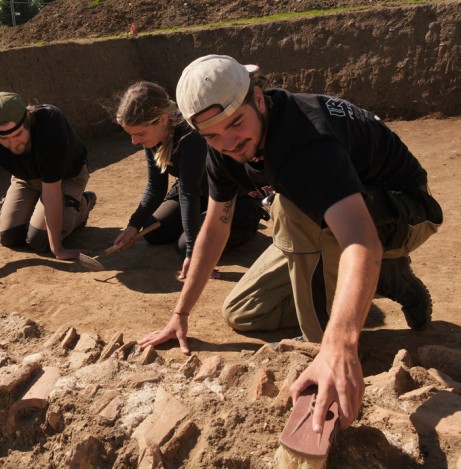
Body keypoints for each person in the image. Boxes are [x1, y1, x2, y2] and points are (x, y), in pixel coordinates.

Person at [138, 55, 442, 436]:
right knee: (243, 313)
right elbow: (215, 226)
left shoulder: (305, 139)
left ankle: (333, 333)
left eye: (236, 123)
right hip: (330, 223)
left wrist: (338, 345)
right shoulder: (223, 149)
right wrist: (180, 315)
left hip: (403, 214)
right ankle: (374, 282)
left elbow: (360, 239)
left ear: (259, 99)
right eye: (212, 135)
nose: (229, 142)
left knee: (289, 206)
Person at [113, 81, 267, 279]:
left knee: (186, 245)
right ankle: (198, 222)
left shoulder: (191, 136)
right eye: (132, 135)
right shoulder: (152, 137)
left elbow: (189, 192)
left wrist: (194, 252)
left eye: (139, 134)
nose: (134, 141)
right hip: (199, 194)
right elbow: (155, 187)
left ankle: (237, 226)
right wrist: (133, 225)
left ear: (162, 120)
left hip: (231, 199)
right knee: (152, 231)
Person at [0, 92, 96, 262]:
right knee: (10, 236)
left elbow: (52, 192)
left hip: (65, 178)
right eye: (4, 138)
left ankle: (82, 203)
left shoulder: (51, 123)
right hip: (26, 178)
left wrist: (57, 249)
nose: (13, 143)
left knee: (39, 240)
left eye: (18, 135)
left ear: (28, 120)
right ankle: (30, 209)